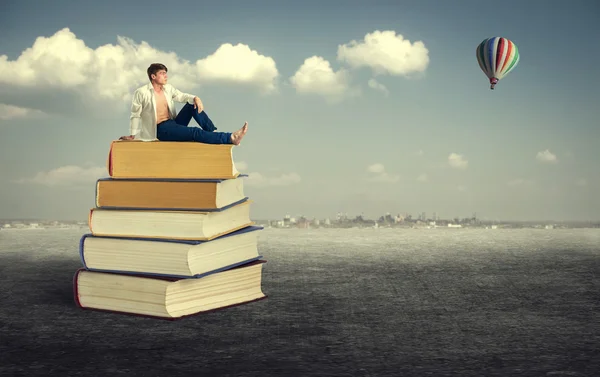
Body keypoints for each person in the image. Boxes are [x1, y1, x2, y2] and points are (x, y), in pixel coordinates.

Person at [119, 63, 248, 145]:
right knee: (194, 132)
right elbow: (135, 115)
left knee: (192, 104)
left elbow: (181, 96)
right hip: (160, 130)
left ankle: (212, 132)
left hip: (172, 124)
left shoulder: (168, 88)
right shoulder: (141, 92)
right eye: (162, 73)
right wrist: (132, 135)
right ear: (153, 76)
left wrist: (195, 98)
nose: (166, 76)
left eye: (166, 73)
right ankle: (231, 138)